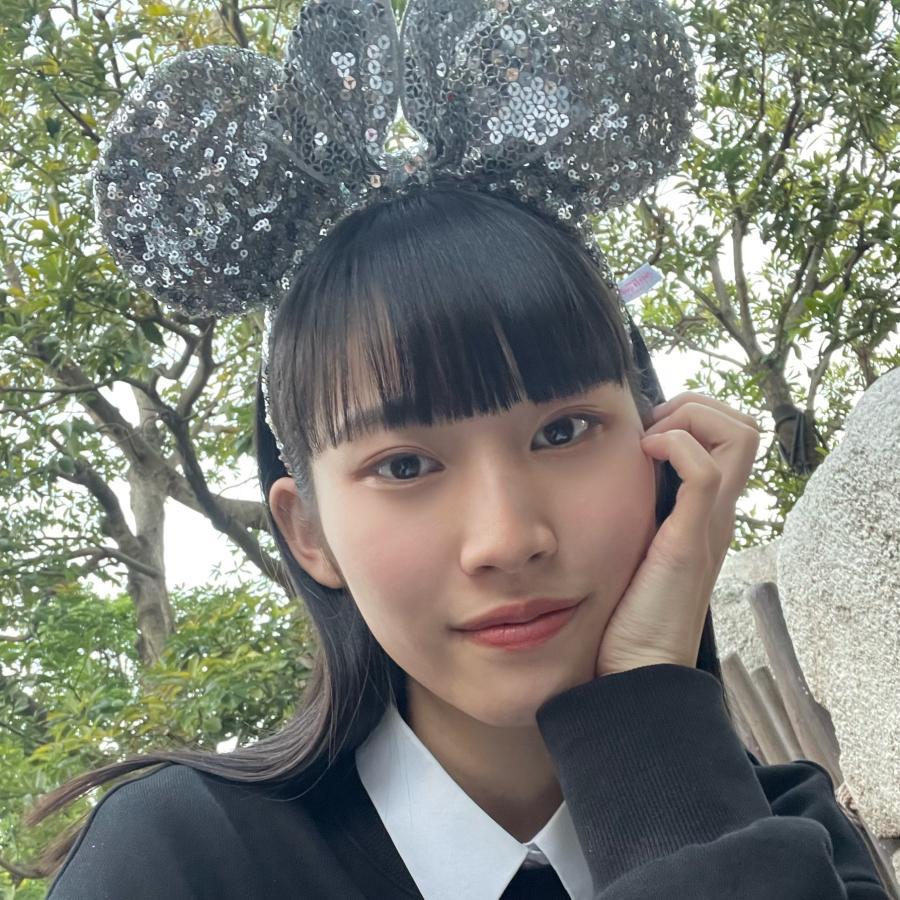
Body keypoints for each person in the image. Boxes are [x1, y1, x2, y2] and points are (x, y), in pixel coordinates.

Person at [31, 1, 889, 898]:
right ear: (307, 531)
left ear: (665, 454)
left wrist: (644, 704)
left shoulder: (786, 839)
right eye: (405, 465)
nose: (507, 539)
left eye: (563, 431)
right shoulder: (181, 864)